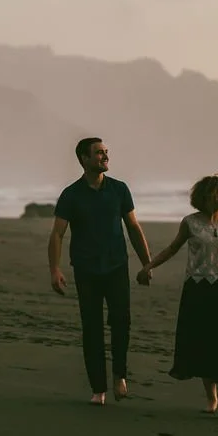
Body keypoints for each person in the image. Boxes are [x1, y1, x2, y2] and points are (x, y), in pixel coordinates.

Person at [49, 137, 153, 406]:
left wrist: (147, 262)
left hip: (117, 266)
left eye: (106, 152)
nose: (105, 157)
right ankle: (98, 389)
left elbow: (133, 227)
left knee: (121, 320)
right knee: (92, 328)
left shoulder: (119, 189)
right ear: (84, 158)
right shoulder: (71, 195)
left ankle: (119, 375)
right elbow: (58, 234)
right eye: (98, 153)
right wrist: (54, 269)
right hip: (86, 270)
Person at [137, 172, 218, 416]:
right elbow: (172, 248)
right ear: (211, 195)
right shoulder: (190, 222)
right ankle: (211, 401)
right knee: (204, 342)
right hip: (198, 288)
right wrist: (149, 266)